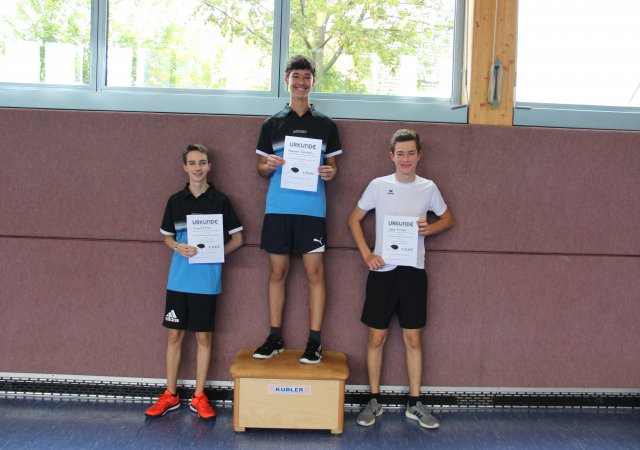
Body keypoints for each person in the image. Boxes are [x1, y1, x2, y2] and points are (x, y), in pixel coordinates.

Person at [347, 129, 453, 429]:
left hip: (413, 273)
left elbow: (448, 218)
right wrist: (367, 254)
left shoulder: (428, 187)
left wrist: (430, 229)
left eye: (411, 153)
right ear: (391, 156)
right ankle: (374, 399)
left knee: (413, 339)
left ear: (419, 155)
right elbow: (353, 219)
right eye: (400, 153)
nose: (406, 159)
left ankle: (414, 403)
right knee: (376, 337)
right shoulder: (379, 185)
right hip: (382, 272)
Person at [252, 55, 343, 364]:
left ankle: (314, 341)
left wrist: (330, 172)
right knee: (277, 272)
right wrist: (268, 165)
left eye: (306, 77)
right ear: (286, 81)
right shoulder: (271, 124)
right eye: (296, 76)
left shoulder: (326, 125)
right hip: (278, 209)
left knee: (314, 273)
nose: (301, 82)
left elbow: (333, 167)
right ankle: (275, 337)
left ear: (313, 81)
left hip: (312, 210)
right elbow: (260, 168)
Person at [145, 144, 244, 420]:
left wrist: (216, 253)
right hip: (178, 281)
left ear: (209, 166)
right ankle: (171, 394)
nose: (198, 168)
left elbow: (238, 239)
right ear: (184, 168)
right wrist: (177, 246)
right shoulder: (175, 201)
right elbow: (167, 237)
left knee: (203, 337)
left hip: (206, 282)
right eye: (192, 163)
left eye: (202, 162)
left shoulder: (221, 201)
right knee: (174, 335)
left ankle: (199, 396)